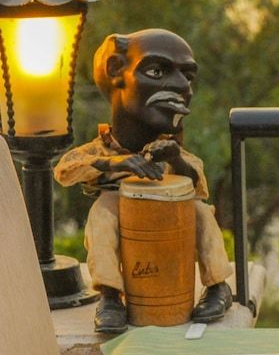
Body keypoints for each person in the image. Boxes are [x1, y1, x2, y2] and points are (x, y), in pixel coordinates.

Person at [55, 29, 232, 333]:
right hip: (123, 210)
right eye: (156, 71)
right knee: (101, 216)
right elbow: (66, 170)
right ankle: (110, 296)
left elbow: (198, 184)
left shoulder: (169, 149)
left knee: (201, 212)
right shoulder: (104, 148)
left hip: (169, 212)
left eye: (187, 77)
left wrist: (174, 159)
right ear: (115, 71)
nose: (180, 86)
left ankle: (218, 286)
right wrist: (116, 163)